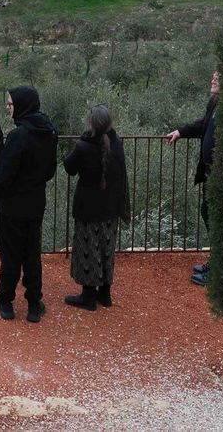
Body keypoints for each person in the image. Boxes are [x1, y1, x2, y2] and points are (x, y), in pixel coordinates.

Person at [0, 85, 57, 322]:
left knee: (11, 253)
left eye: (10, 104)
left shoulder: (19, 135)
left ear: (22, 105)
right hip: (36, 202)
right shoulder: (49, 132)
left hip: (11, 205)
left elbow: (4, 173)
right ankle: (33, 304)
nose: (8, 108)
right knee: (31, 253)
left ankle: (6, 301)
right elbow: (50, 170)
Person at [62, 105, 129, 311]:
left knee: (88, 249)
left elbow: (69, 167)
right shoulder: (117, 144)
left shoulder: (84, 147)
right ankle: (105, 294)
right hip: (110, 207)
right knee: (107, 247)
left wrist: (75, 145)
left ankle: (88, 296)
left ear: (91, 123)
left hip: (88, 208)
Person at [167, 68, 219, 286]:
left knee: (217, 219)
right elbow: (202, 125)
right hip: (210, 174)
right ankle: (216, 263)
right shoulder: (214, 103)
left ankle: (218, 271)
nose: (213, 80)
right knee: (208, 213)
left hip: (221, 177)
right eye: (214, 76)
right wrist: (180, 132)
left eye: (218, 78)